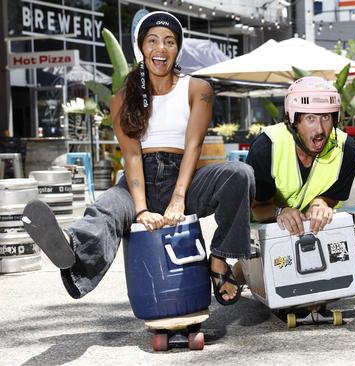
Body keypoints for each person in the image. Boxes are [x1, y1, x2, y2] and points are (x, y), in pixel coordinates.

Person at [22, 11, 254, 306]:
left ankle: (219, 259)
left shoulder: (198, 89)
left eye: (170, 42)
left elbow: (193, 146)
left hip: (186, 177)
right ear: (142, 47)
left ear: (177, 49)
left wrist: (179, 198)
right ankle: (72, 245)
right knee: (106, 207)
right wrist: (142, 210)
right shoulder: (121, 98)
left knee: (239, 173)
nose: (161, 49)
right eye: (153, 41)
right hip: (138, 182)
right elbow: (132, 155)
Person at [246, 76, 355, 234]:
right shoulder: (266, 147)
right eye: (310, 118)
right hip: (264, 233)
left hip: (312, 230)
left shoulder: (347, 150)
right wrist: (281, 212)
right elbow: (256, 208)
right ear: (293, 121)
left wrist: (321, 202)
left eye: (326, 117)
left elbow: (334, 196)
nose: (320, 130)